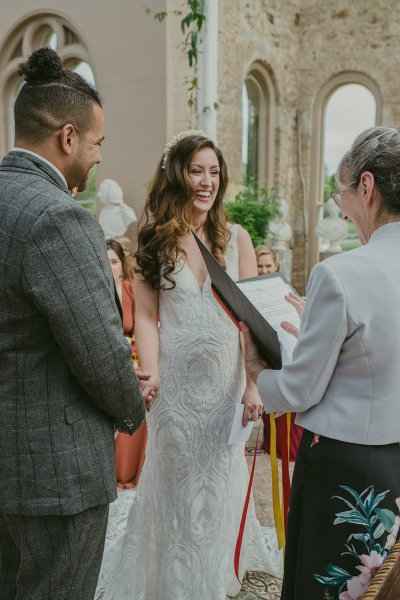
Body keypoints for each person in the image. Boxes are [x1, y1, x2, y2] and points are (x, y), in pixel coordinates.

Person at [96, 130, 282, 600]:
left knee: (218, 483)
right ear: (177, 175)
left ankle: (215, 571)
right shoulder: (154, 239)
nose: (207, 181)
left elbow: (249, 319)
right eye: (197, 171)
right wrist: (152, 371)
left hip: (225, 386)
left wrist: (253, 385)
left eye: (214, 172)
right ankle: (175, 579)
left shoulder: (235, 237)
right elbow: (147, 318)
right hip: (176, 389)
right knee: (177, 487)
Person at [0, 48, 147, 600]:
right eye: (97, 143)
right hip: (54, 476)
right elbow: (100, 350)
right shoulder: (58, 217)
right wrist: (132, 406)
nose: (98, 158)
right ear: (67, 137)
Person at [242, 126, 400, 600]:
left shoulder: (340, 274)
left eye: (343, 195)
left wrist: (256, 370)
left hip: (347, 473)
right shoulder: (342, 281)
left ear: (367, 188)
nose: (342, 209)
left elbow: (299, 392)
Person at [106, 239, 148, 489]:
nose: (110, 267)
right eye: (105, 261)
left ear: (122, 264)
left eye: (114, 261)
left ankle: (131, 468)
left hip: (135, 359)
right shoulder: (95, 293)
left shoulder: (132, 290)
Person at [254, 246, 303, 462]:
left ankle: (287, 447)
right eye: (260, 265)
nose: (264, 270)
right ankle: (270, 442)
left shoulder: (285, 290)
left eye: (268, 265)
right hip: (261, 353)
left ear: (276, 266)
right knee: (269, 405)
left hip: (284, 351)